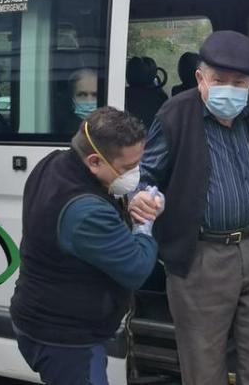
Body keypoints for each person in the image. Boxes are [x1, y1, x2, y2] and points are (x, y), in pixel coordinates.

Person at [128, 30, 249, 385]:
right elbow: (145, 174)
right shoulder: (174, 116)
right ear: (200, 78)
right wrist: (139, 195)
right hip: (203, 259)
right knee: (204, 362)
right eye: (220, 81)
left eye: (239, 82)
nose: (230, 90)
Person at [10, 107, 160, 385]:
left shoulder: (54, 163)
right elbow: (137, 268)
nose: (135, 174)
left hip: (38, 316)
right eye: (128, 168)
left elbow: (105, 204)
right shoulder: (85, 212)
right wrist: (144, 225)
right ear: (94, 161)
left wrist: (130, 201)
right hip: (67, 339)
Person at [61, 68, 99, 134]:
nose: (89, 101)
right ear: (72, 98)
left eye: (95, 95)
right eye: (82, 95)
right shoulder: (64, 131)